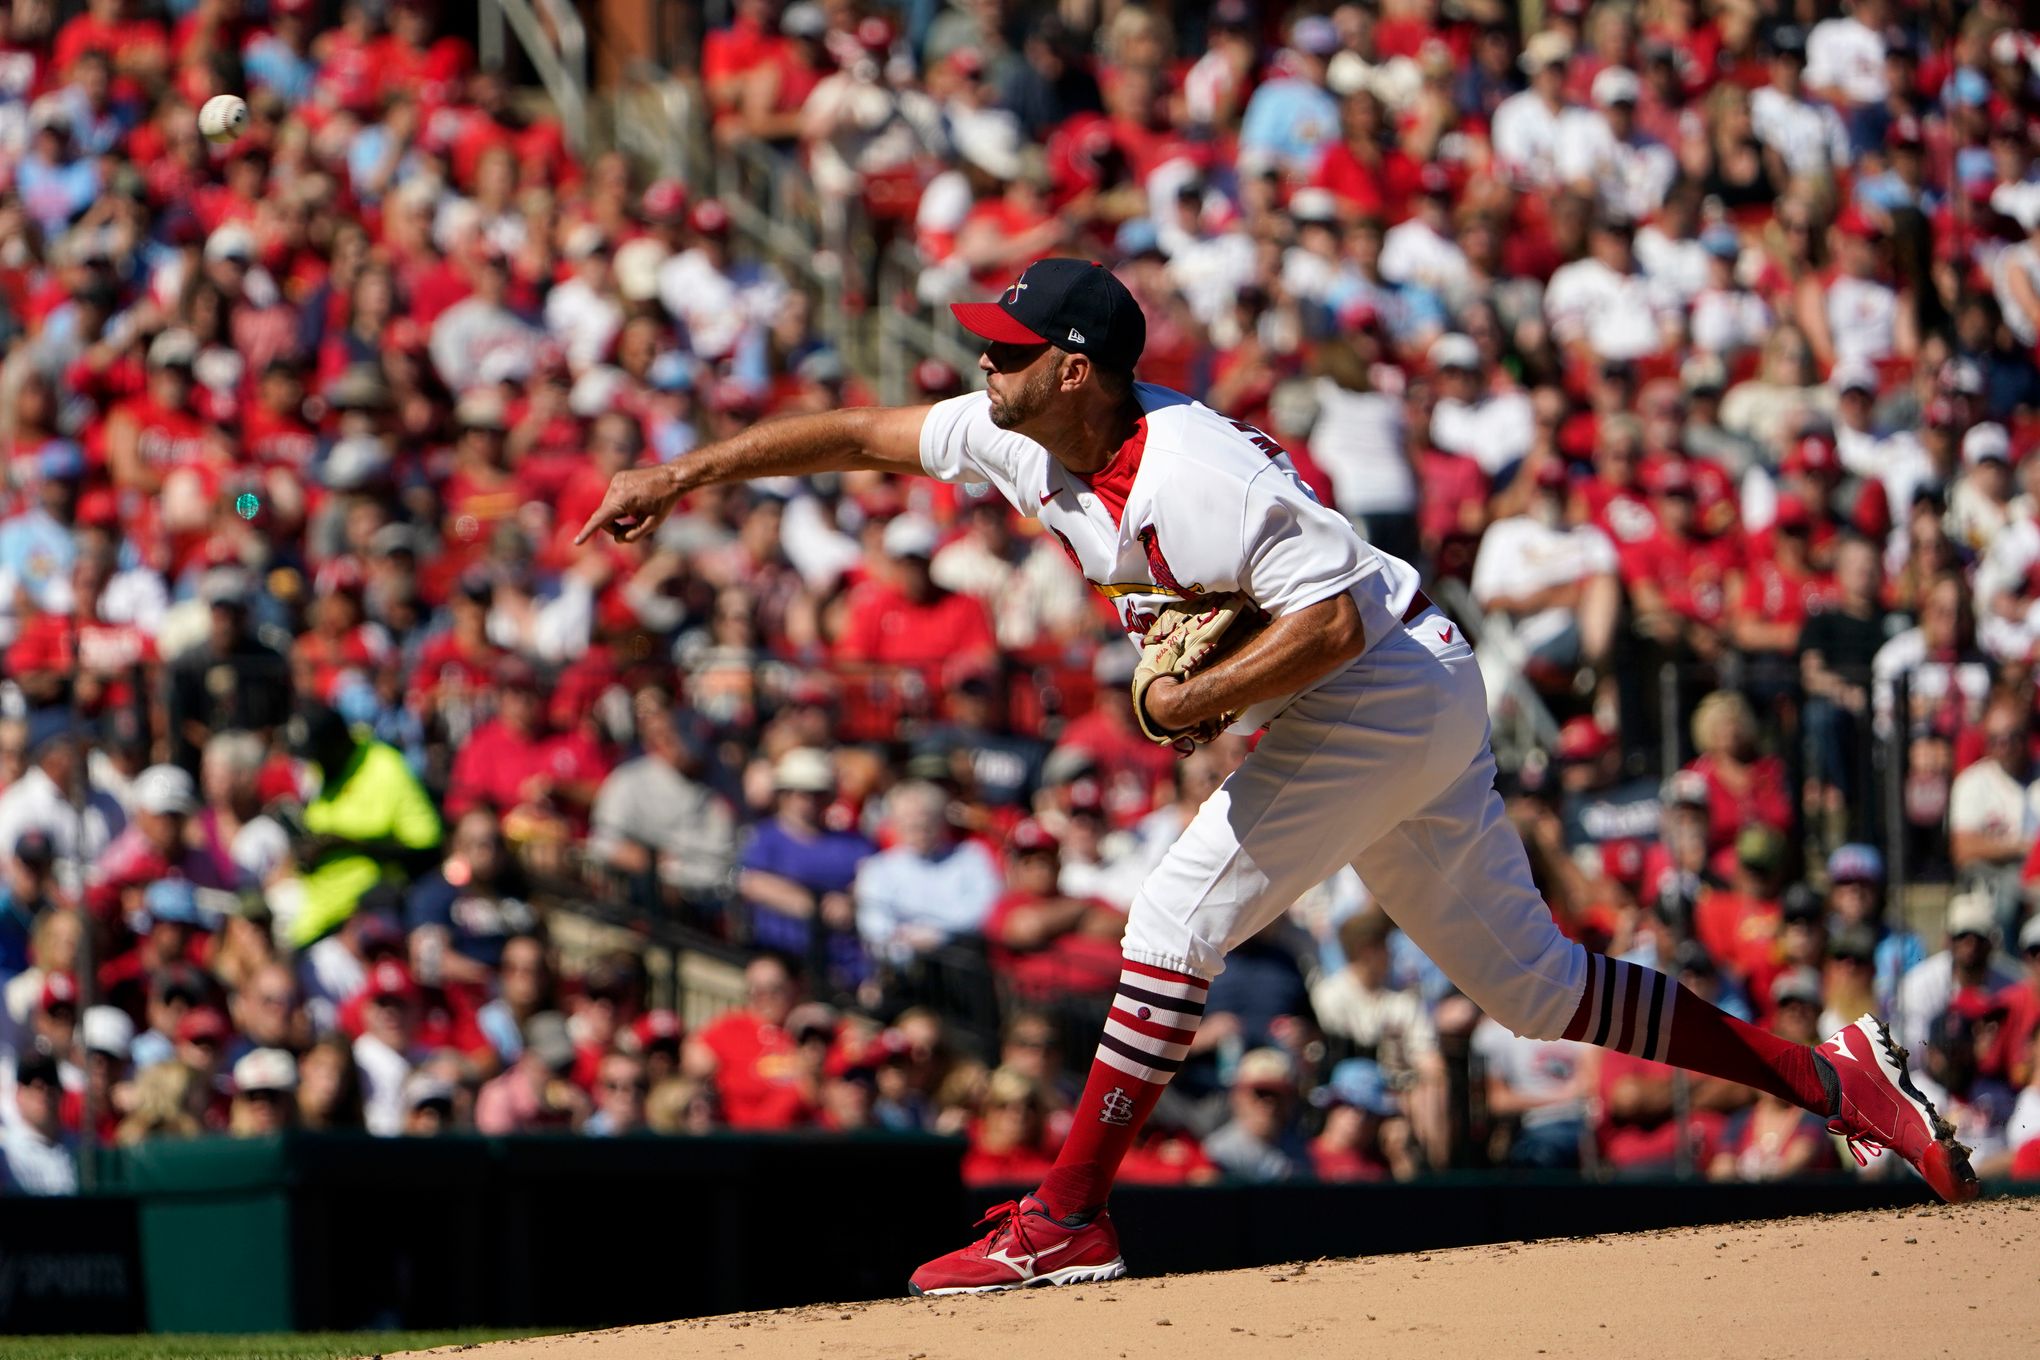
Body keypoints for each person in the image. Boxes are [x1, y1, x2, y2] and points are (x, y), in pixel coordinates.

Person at [575, 257, 1978, 1297]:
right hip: (1404, 688)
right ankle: (1839, 1079)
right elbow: (864, 434)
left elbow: (1336, 613)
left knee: (1171, 920)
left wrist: (1196, 697)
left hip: (1381, 678)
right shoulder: (1023, 434)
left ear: (1076, 369)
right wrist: (687, 470)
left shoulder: (1191, 468)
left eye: (1005, 356)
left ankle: (1067, 1220)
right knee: (1533, 989)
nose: (979, 376)